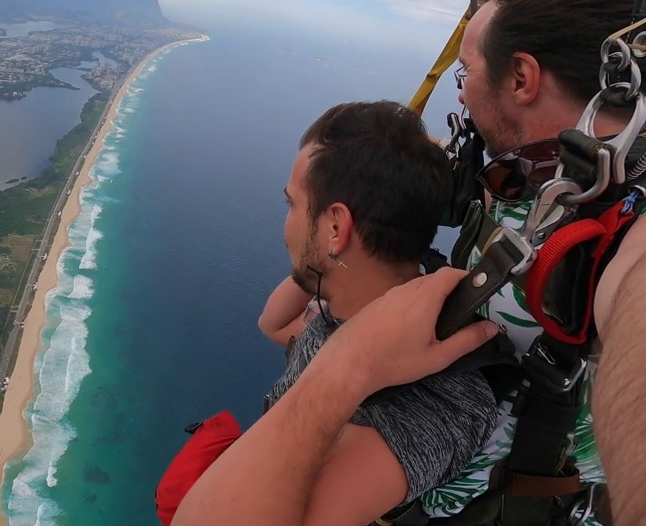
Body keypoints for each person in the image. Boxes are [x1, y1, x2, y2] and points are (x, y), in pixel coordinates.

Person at [170, 0, 646, 526]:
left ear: (520, 78)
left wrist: (353, 361)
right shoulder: (533, 174)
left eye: (465, 73)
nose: (460, 97)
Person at [183, 101, 498, 525]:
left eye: (292, 205)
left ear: (336, 227)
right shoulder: (332, 312)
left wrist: (349, 363)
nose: (286, 223)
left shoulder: (438, 403)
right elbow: (271, 323)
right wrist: (324, 257)